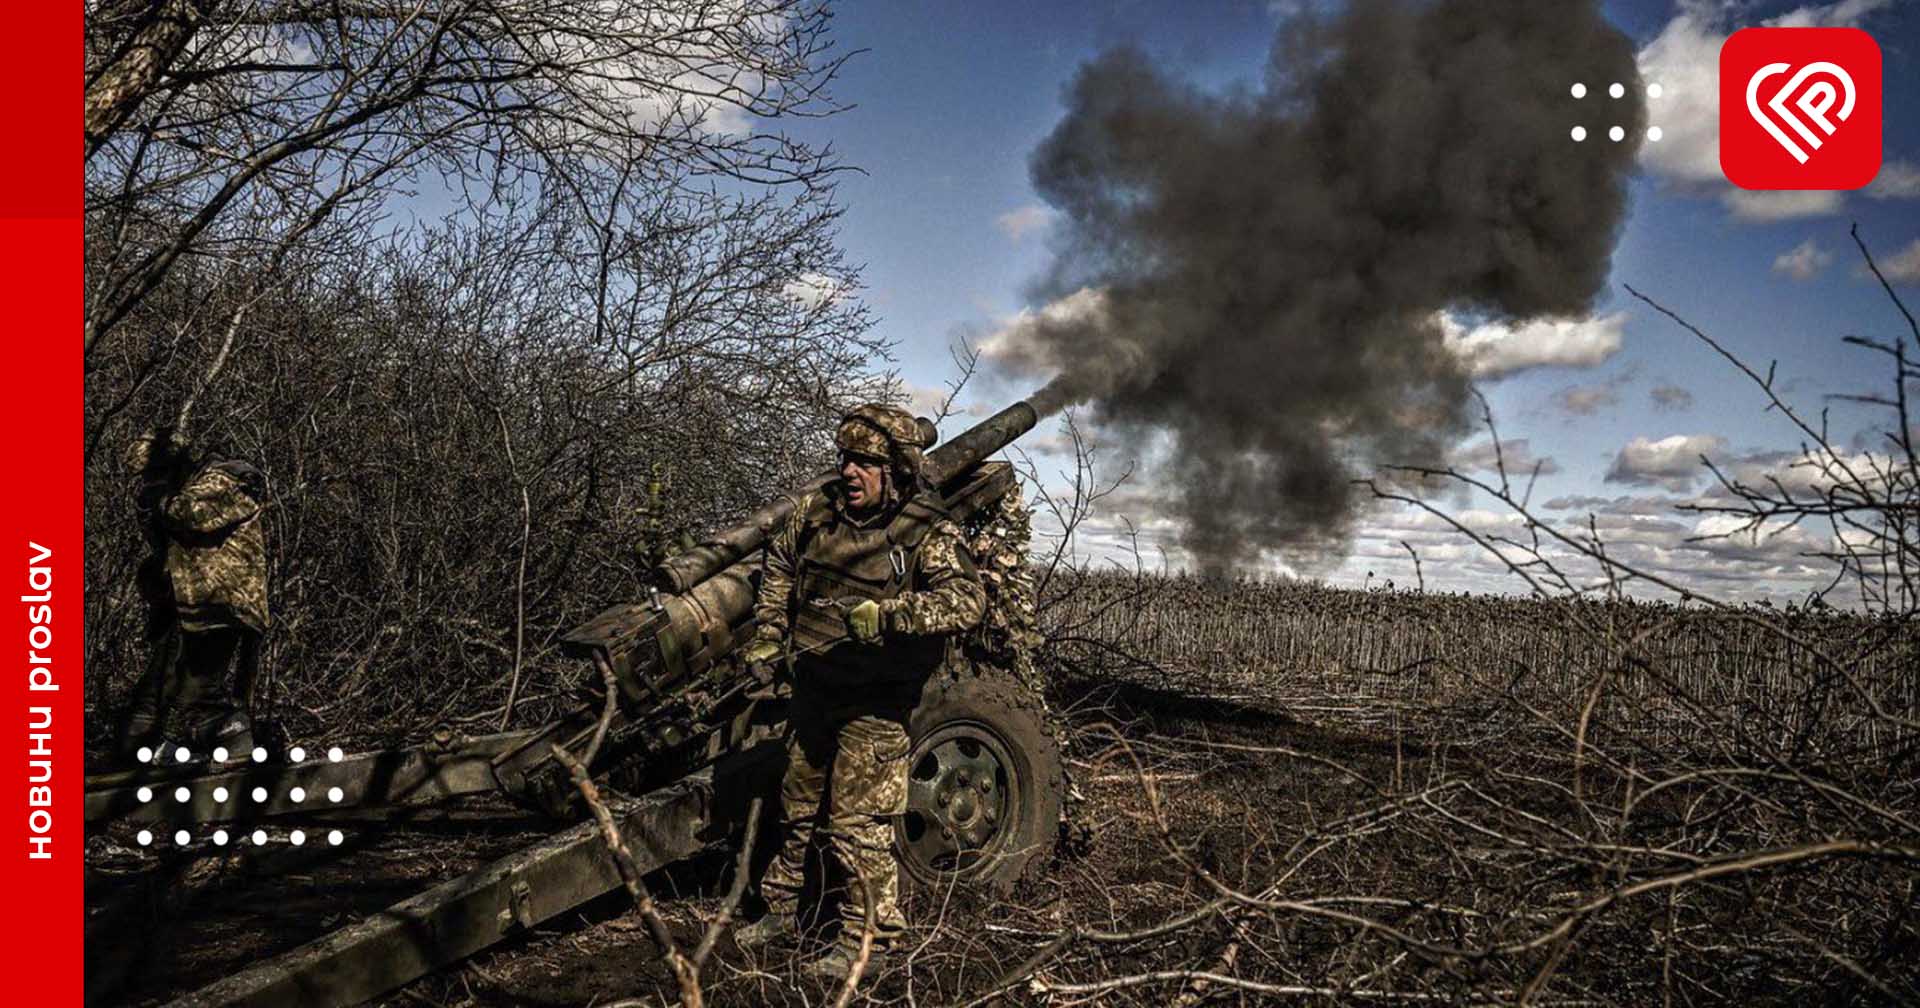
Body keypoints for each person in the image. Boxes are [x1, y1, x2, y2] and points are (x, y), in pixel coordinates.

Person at [734, 404, 987, 980]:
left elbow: (967, 603)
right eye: (846, 459)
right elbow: (778, 565)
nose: (849, 472)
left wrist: (893, 615)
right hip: (816, 688)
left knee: (859, 827)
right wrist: (771, 636)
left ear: (895, 471)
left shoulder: (926, 531)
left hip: (876, 702)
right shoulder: (817, 511)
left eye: (866, 463)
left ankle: (872, 940)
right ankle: (782, 913)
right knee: (796, 811)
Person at [119, 427, 268, 761]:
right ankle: (135, 755)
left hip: (222, 604)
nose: (151, 482)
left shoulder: (227, 481)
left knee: (199, 692)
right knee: (155, 687)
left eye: (157, 474)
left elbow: (191, 515)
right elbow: (164, 546)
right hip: (187, 605)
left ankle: (231, 743)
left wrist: (157, 500)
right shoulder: (177, 492)